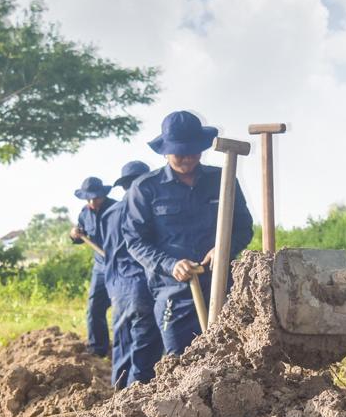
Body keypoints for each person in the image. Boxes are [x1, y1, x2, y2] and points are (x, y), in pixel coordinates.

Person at [123, 111, 254, 357]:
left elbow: (244, 227)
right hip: (173, 291)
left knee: (230, 357)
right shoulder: (145, 188)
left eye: (193, 151)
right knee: (179, 361)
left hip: (221, 285)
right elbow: (135, 241)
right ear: (165, 151)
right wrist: (171, 265)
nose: (187, 158)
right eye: (179, 153)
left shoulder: (223, 179)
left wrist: (223, 248)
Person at [102, 160, 164, 388]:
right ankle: (136, 397)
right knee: (146, 345)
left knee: (122, 343)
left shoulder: (108, 214)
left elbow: (107, 254)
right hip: (141, 285)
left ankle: (118, 394)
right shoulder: (145, 209)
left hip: (117, 287)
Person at [70, 176, 114, 358]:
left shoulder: (117, 209)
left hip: (121, 266)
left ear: (103, 194)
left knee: (125, 310)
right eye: (88, 198)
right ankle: (98, 349)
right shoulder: (84, 213)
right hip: (100, 267)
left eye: (95, 198)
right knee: (94, 308)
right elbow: (80, 233)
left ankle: (124, 348)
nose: (92, 202)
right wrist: (74, 234)